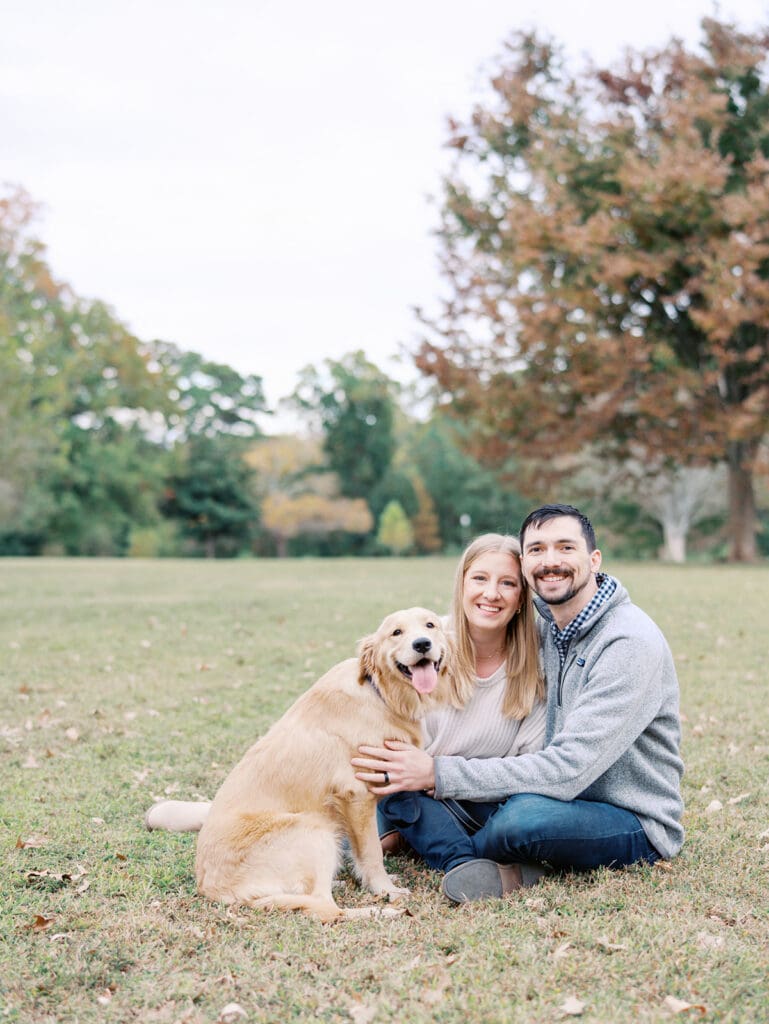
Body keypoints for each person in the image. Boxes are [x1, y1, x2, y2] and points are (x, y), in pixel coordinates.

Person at [352, 503, 685, 903]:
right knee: (398, 779)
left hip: (625, 815)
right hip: (544, 793)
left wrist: (437, 774)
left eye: (565, 548)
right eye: (539, 550)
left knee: (521, 821)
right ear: (527, 564)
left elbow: (569, 771)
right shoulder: (545, 626)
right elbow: (468, 618)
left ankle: (443, 846)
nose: (551, 561)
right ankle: (431, 833)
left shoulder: (628, 643)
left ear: (594, 559)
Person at [145, 533, 547, 842]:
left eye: (507, 584)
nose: (491, 593)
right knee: (319, 819)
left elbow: (532, 768)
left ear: (521, 597)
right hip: (390, 789)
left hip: (460, 798)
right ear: (462, 586)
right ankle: (218, 813)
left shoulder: (535, 664)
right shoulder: (423, 636)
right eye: (479, 578)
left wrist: (438, 774)